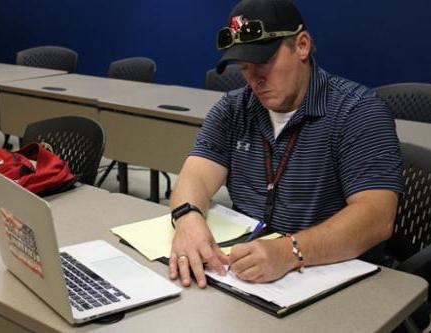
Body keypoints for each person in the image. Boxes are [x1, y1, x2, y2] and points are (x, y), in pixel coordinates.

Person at [169, 0, 403, 289]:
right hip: (248, 275)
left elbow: (376, 217)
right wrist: (187, 218)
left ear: (302, 45)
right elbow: (196, 175)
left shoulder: (358, 111)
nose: (254, 79)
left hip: (335, 276)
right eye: (244, 67)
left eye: (264, 62)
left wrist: (290, 251)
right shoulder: (232, 109)